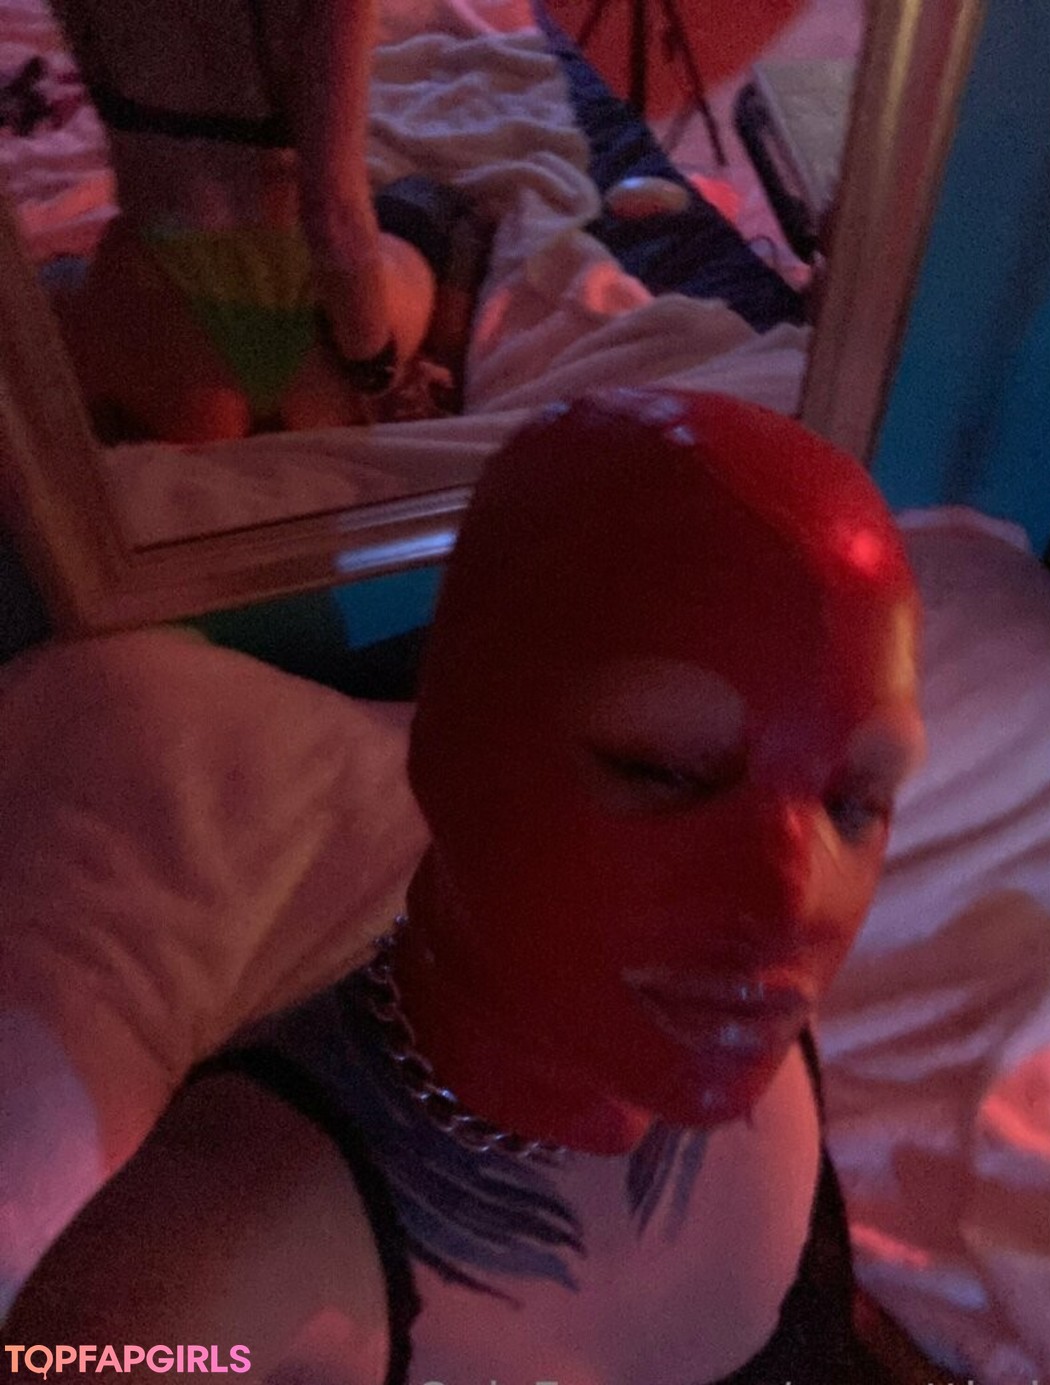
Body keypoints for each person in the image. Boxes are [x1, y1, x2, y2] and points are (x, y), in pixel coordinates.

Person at [6, 388, 929, 1382]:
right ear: (450, 742)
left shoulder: (725, 1013)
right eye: (662, 769)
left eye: (852, 801)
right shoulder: (188, 1289)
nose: (791, 904)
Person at [46, 0, 454, 443]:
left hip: (166, 337)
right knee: (431, 203)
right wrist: (375, 372)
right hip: (311, 345)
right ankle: (439, 362)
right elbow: (335, 219)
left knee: (59, 279)